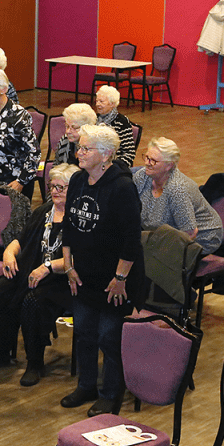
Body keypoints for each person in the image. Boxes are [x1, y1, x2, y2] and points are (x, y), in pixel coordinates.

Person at [61, 124, 144, 417]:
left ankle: (111, 394)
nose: (78, 152)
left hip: (114, 280)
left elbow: (131, 239)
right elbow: (68, 227)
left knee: (109, 338)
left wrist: (121, 278)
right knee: (84, 333)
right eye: (79, 147)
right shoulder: (78, 181)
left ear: (106, 154)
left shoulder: (122, 187)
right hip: (83, 275)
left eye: (85, 148)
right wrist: (68, 267)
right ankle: (86, 386)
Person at [0, 163, 80, 387]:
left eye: (61, 188)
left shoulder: (79, 218)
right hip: (32, 270)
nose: (55, 191)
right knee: (1, 291)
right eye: (52, 186)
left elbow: (79, 259)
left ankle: (35, 363)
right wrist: (8, 253)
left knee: (32, 302)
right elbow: (20, 240)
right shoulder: (44, 211)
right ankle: (0, 354)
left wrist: (48, 267)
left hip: (61, 279)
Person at [133, 138, 223, 254]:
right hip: (162, 236)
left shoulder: (177, 190)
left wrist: (160, 252)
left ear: (169, 166)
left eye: (153, 161)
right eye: (146, 157)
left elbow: (190, 234)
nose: (147, 163)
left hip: (201, 239)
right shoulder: (142, 177)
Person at [93, 85, 137, 165]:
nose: (97, 104)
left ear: (112, 104)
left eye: (101, 101)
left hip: (114, 164)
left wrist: (115, 167)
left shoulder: (121, 121)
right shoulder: (94, 119)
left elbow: (129, 152)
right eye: (97, 101)